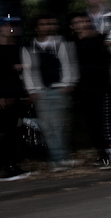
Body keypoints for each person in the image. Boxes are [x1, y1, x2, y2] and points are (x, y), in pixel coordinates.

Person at [21, 14, 79, 170]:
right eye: (42, 24)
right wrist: (32, 90)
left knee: (60, 126)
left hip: (58, 89)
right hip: (41, 92)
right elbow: (28, 71)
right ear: (36, 28)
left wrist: (66, 84)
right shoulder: (29, 47)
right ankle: (57, 158)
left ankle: (60, 157)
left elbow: (68, 63)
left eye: (48, 24)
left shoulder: (60, 44)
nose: (46, 27)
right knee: (48, 128)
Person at [70, 12, 111, 167]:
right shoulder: (73, 43)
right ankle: (101, 152)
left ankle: (109, 152)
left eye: (85, 21)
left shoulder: (99, 40)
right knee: (92, 123)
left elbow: (105, 62)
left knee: (103, 120)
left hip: (101, 86)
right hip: (84, 89)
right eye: (78, 22)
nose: (83, 25)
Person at [0, 17, 29, 181]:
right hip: (2, 95)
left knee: (12, 131)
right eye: (5, 26)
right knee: (5, 131)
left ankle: (12, 165)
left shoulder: (16, 47)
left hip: (14, 93)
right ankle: (4, 167)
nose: (9, 29)